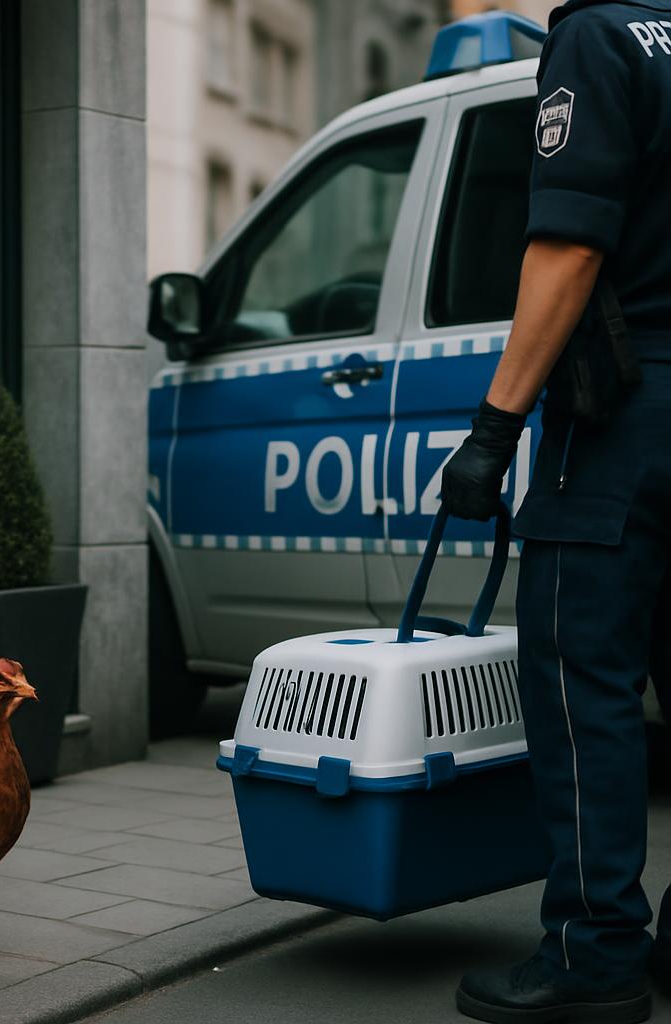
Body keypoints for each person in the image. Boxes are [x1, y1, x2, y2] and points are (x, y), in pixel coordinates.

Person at [441, 2, 671, 1021]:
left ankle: (594, 952)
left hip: (627, 411)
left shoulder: (598, 37)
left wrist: (495, 428)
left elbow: (569, 248)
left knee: (583, 680)